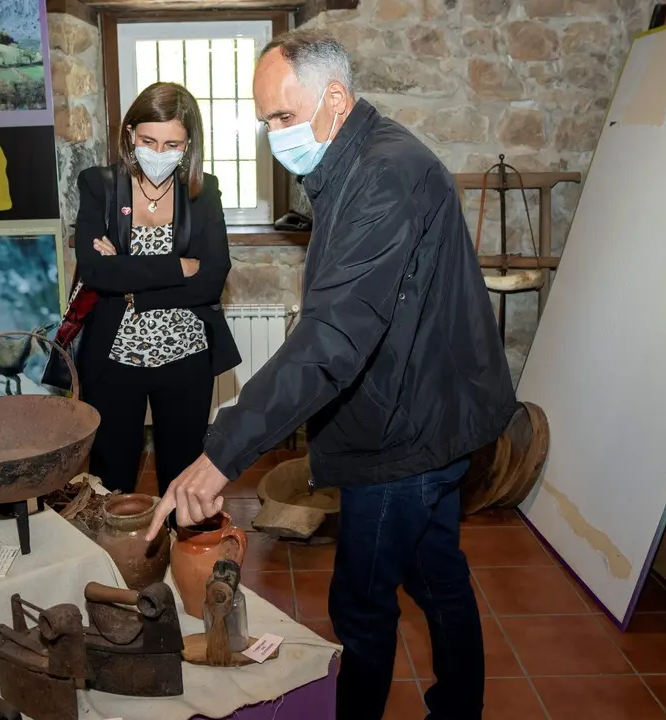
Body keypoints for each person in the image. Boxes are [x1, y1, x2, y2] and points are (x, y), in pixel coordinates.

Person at [147, 30, 516, 720]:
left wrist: (221, 452)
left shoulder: (384, 175)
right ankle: (460, 708)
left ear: (336, 100)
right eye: (265, 123)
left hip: (403, 435)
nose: (274, 136)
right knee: (438, 577)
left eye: (283, 118)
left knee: (365, 606)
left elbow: (336, 336)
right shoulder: (358, 159)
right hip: (430, 415)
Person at [73, 82, 241, 496]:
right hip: (113, 359)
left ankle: (178, 555)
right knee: (111, 477)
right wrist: (177, 266)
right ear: (130, 134)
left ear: (189, 145)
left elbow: (213, 278)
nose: (159, 153)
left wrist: (132, 284)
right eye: (149, 140)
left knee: (183, 478)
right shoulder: (100, 186)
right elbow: (95, 272)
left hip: (186, 357)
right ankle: (115, 560)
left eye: (172, 144)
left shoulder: (204, 192)